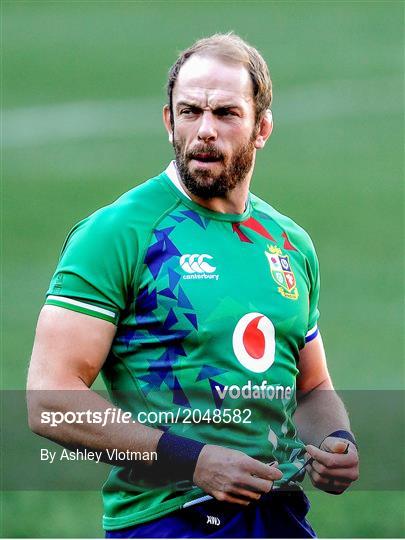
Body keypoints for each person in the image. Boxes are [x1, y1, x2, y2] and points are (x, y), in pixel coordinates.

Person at [27, 33, 359, 538]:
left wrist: (336, 441)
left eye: (226, 113)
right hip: (169, 522)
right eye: (189, 112)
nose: (204, 130)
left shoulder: (289, 243)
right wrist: (194, 460)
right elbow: (50, 402)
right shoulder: (117, 233)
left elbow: (311, 388)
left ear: (261, 127)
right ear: (168, 121)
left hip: (278, 517)